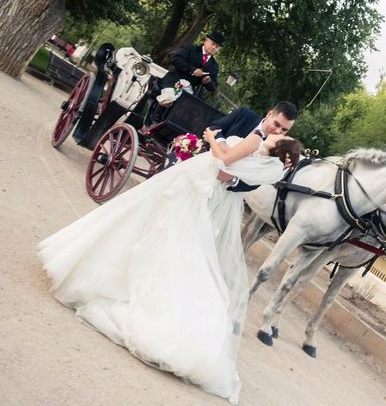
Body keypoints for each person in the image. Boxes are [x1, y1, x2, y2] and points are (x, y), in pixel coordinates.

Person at [38, 128, 301, 404]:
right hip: (195, 189)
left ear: (278, 147)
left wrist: (212, 139)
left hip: (198, 194)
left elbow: (224, 167)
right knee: (161, 235)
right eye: (278, 129)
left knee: (169, 242)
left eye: (280, 135)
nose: (275, 133)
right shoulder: (259, 152)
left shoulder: (262, 158)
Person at [209, 100, 298, 192]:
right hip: (207, 165)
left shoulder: (276, 151)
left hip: (225, 191)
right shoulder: (244, 114)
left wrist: (233, 180)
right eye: (276, 124)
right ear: (269, 114)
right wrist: (219, 141)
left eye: (284, 130)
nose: (278, 131)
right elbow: (215, 127)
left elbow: (258, 180)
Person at [158, 31, 225, 99]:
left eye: (217, 47)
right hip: (175, 82)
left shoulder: (214, 66)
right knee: (169, 98)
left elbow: (214, 87)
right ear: (206, 41)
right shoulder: (190, 48)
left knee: (191, 108)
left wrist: (208, 82)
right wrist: (192, 70)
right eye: (213, 44)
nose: (214, 47)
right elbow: (176, 59)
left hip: (191, 92)